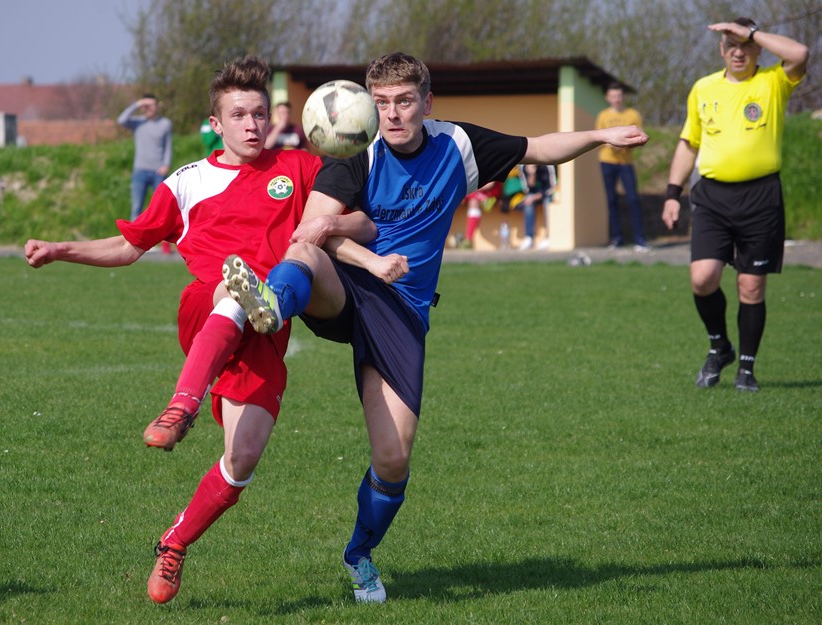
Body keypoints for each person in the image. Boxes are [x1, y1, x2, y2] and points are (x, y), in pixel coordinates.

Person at [221, 52, 647, 603]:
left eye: (403, 101)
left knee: (394, 457)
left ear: (427, 102)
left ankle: (359, 555)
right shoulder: (354, 147)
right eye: (381, 103)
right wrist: (372, 261)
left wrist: (598, 135)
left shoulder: (459, 146)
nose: (392, 114)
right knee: (306, 248)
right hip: (348, 285)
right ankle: (273, 306)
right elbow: (310, 231)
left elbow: (539, 148)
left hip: (401, 310)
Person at [24, 55, 370, 606]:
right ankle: (181, 405)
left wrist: (335, 221)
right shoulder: (188, 181)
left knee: (244, 460)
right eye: (239, 115)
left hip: (266, 328)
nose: (253, 125)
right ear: (217, 122)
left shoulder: (300, 170)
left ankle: (174, 542)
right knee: (234, 289)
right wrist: (63, 250)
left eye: (259, 114)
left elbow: (357, 218)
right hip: (207, 307)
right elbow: (130, 245)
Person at [661, 18, 808, 393]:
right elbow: (688, 143)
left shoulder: (773, 82)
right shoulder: (703, 88)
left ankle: (746, 367)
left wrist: (752, 32)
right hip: (711, 196)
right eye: (730, 46)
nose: (738, 52)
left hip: (760, 197)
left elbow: (801, 54)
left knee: (750, 286)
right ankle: (719, 347)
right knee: (702, 278)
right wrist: (672, 193)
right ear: (721, 51)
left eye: (744, 45)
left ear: (757, 48)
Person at [596, 82, 649, 251]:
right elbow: (599, 138)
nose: (616, 99)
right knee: (611, 200)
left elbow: (640, 137)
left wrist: (625, 145)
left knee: (633, 199)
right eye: (613, 96)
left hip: (626, 163)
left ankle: (639, 240)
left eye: (619, 96)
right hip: (607, 161)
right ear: (608, 98)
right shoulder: (603, 116)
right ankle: (616, 239)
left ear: (622, 97)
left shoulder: (633, 114)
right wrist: (613, 145)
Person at [118, 94, 173, 253]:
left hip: (158, 171)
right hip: (140, 170)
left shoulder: (165, 124)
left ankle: (164, 244)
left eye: (151, 105)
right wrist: (137, 104)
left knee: (161, 209)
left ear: (157, 106)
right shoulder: (138, 123)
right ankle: (134, 244)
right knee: (137, 207)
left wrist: (166, 164)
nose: (148, 109)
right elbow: (121, 120)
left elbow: (168, 145)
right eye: (146, 106)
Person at [514, 163, 553, 250]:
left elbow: (550, 187)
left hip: (547, 194)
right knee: (528, 202)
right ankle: (529, 237)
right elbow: (528, 188)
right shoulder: (523, 167)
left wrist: (535, 197)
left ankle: (549, 236)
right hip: (533, 194)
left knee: (548, 202)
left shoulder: (547, 165)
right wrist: (532, 174)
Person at [457, 182, 500, 249]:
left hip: (491, 194)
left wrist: (472, 189)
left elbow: (491, 184)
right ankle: (465, 240)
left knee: (473, 202)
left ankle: (468, 240)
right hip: (477, 191)